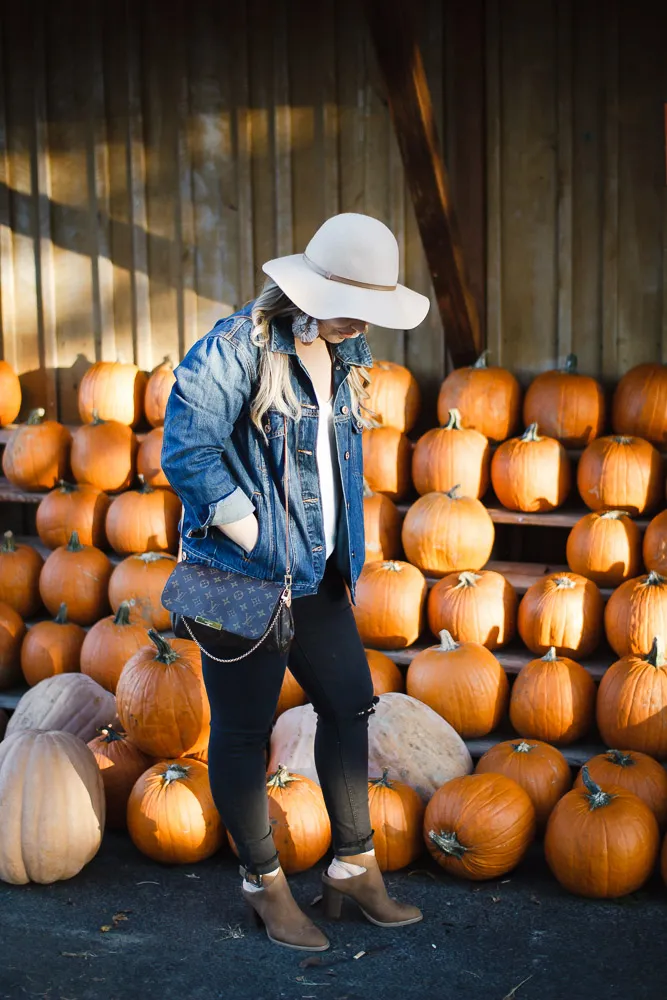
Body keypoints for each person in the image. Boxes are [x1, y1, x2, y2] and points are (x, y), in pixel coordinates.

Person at [161, 212, 430, 951]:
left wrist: (333, 550)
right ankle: (263, 885)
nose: (365, 322)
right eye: (358, 306)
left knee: (348, 703)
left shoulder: (345, 349)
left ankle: (353, 866)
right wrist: (253, 532)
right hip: (242, 578)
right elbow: (185, 451)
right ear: (315, 290)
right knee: (244, 734)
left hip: (316, 575)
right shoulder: (231, 349)